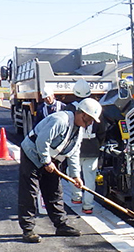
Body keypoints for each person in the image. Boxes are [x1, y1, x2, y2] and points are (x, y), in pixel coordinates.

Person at [17, 97, 101, 243]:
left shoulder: (79, 130)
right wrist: (46, 161)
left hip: (51, 159)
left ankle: (61, 225)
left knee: (55, 191)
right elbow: (42, 141)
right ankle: (28, 230)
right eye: (90, 120)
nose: (91, 123)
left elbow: (74, 152)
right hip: (32, 153)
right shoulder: (61, 120)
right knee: (30, 192)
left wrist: (76, 176)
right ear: (83, 114)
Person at [64, 80, 99, 214]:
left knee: (73, 172)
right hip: (92, 147)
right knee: (90, 177)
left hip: (74, 147)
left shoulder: (70, 109)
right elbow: (102, 129)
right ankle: (88, 206)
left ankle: (76, 197)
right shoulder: (96, 107)